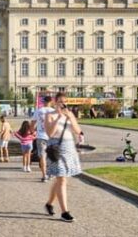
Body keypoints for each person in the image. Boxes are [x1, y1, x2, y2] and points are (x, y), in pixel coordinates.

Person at [44, 93, 82, 223]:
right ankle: (65, 212)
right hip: (55, 147)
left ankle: (49, 203)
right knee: (61, 179)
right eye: (60, 101)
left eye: (65, 101)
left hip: (69, 147)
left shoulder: (69, 114)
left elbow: (77, 130)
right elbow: (50, 133)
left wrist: (70, 117)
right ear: (55, 102)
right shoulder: (49, 115)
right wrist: (58, 117)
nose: (63, 104)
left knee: (61, 179)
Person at [33, 95, 54, 182]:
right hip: (52, 136)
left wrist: (32, 131)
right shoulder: (54, 111)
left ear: (43, 102)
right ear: (51, 102)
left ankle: (44, 175)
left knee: (42, 157)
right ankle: (50, 173)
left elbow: (32, 123)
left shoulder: (38, 111)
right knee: (51, 156)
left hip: (41, 136)